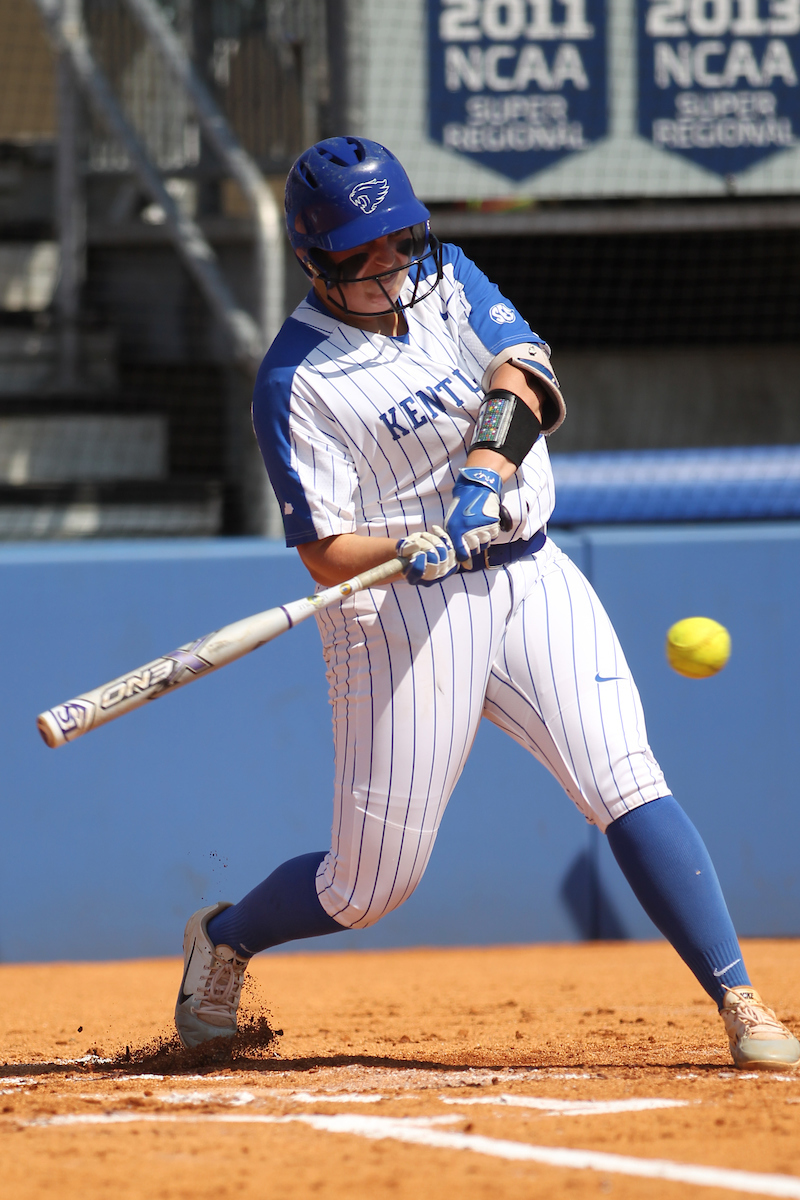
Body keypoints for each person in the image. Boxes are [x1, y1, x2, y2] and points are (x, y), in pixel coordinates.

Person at [174, 136, 798, 1071]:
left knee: (623, 776)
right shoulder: (291, 380)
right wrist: (406, 545)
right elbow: (322, 550)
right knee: (370, 885)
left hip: (530, 572)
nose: (390, 268)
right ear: (315, 261)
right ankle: (226, 939)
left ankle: (741, 1001)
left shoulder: (452, 277)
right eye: (361, 254)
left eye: (401, 242)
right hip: (401, 611)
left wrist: (480, 477)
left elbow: (526, 375)